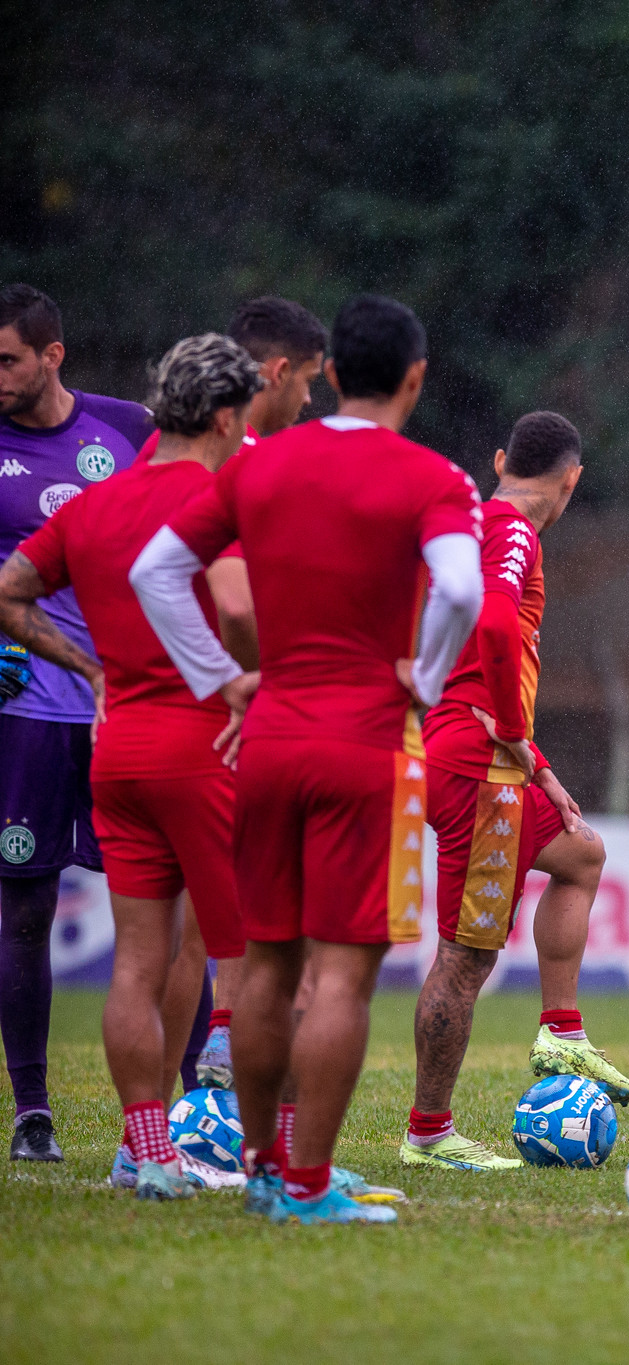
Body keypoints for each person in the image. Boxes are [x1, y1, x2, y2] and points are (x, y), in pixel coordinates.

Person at [130, 293, 484, 1225]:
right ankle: (309, 1182)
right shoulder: (433, 478)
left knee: (265, 969)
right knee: (343, 977)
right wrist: (426, 677)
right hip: (365, 745)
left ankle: (258, 1169)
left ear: (328, 374)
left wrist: (220, 680)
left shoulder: (262, 464)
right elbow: (460, 585)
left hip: (270, 738)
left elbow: (153, 571)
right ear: (415, 378)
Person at [0, 334, 262, 1199]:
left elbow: (11, 591)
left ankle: (145, 1152)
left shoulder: (98, 503)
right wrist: (254, 679)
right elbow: (234, 600)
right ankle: (279, 1165)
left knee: (139, 965)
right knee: (256, 959)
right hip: (204, 747)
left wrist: (90, 669)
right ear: (226, 417)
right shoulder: (221, 494)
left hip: (120, 746)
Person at [401, 410, 626, 1170]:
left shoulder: (465, 523)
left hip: (474, 749)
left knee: (581, 853)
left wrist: (537, 760)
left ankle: (562, 1033)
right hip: (475, 765)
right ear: (572, 480)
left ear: (501, 458)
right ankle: (429, 1132)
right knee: (466, 956)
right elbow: (497, 627)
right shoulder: (514, 530)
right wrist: (507, 727)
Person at [152, 296, 327, 1093]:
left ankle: (152, 1127)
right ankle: (266, 1128)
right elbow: (239, 599)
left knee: (184, 933)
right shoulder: (248, 460)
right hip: (233, 717)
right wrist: (261, 684)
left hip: (151, 704)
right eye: (310, 381)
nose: (312, 401)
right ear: (277, 371)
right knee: (280, 932)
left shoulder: (164, 449)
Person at [0, 283, 152, 1162]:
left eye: (10, 360)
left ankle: (179, 1119)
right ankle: (31, 1109)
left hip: (129, 708)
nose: (0, 377)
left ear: (54, 355)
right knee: (25, 908)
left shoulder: (125, 429)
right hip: (25, 713)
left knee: (161, 912)